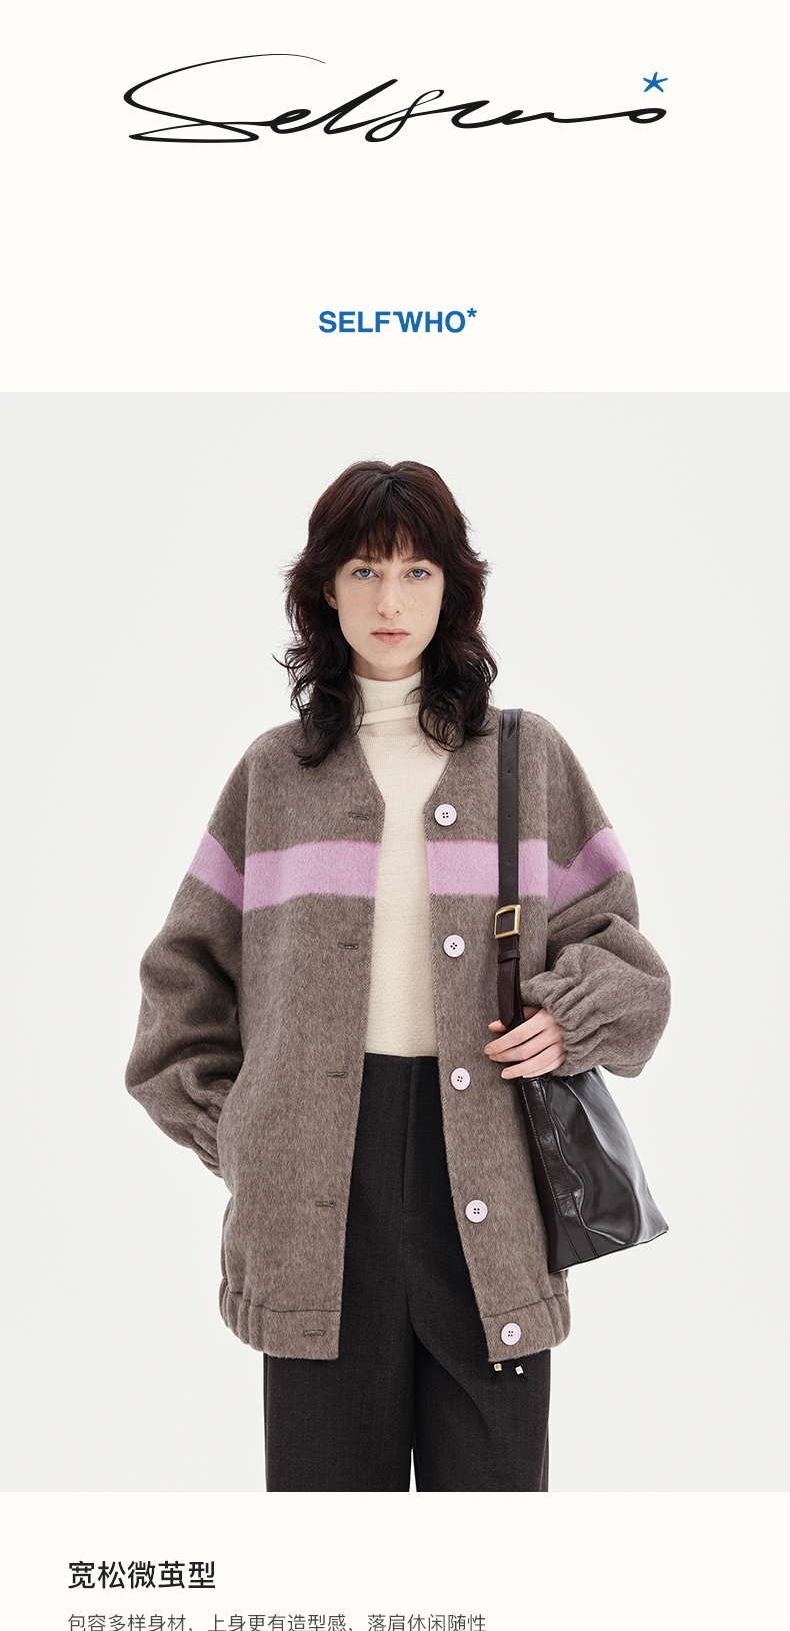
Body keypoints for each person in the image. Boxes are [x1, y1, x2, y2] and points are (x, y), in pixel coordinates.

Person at [126, 459, 670, 1492]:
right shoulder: (274, 775)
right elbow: (179, 984)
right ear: (324, 590)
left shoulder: (525, 759)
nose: (389, 601)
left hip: (491, 1181)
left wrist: (571, 1016)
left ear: (452, 590)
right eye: (365, 571)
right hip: (315, 1205)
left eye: (417, 571)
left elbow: (627, 957)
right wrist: (243, 1135)